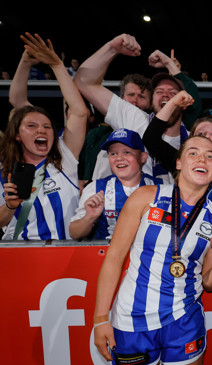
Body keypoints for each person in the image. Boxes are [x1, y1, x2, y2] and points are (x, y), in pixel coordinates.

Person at [93, 134, 212, 365]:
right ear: (179, 163)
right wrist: (100, 319)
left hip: (184, 321)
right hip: (132, 321)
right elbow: (114, 257)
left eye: (210, 155)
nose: (202, 159)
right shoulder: (147, 196)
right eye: (193, 153)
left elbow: (209, 282)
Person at [74, 34, 201, 183]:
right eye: (159, 91)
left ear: (183, 101)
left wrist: (169, 63)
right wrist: (112, 48)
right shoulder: (136, 119)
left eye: (173, 93)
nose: (166, 95)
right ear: (152, 101)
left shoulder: (191, 139)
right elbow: (84, 82)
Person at [1, 33, 88, 240]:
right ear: (17, 135)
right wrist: (10, 206)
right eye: (31, 126)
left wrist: (56, 64)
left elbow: (79, 112)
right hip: (21, 258)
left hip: (65, 259)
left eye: (47, 126)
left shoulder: (64, 159)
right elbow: (16, 99)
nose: (41, 130)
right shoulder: (3, 171)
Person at [69, 129, 162, 240]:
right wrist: (90, 217)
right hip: (106, 255)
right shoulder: (96, 188)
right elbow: (74, 233)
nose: (119, 158)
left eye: (127, 152)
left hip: (147, 255)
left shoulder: (161, 187)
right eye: (113, 153)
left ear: (143, 157)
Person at [78, 73, 153, 189]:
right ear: (121, 98)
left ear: (150, 103)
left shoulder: (158, 134)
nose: (135, 100)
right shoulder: (99, 136)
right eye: (131, 94)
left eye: (142, 96)